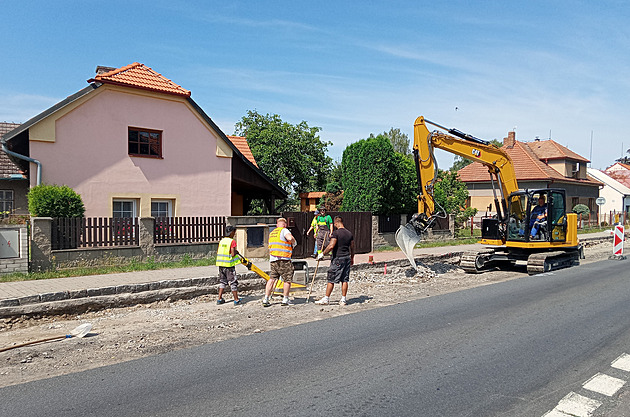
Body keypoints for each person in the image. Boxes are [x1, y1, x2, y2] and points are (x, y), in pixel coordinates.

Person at [315, 216, 355, 306]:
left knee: (331, 278)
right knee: (345, 279)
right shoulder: (349, 233)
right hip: (347, 258)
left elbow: (331, 246)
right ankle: (343, 299)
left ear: (336, 223)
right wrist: (352, 258)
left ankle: (326, 298)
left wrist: (322, 254)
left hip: (337, 258)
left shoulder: (336, 233)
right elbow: (352, 247)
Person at [263, 217, 296, 307]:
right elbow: (289, 238)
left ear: (277, 224)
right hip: (284, 259)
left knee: (272, 279)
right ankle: (285, 299)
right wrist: (293, 242)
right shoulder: (284, 230)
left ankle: (266, 298)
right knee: (287, 279)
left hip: (273, 259)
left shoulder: (272, 233)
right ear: (285, 225)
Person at [215, 225, 241, 305]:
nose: (234, 234)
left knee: (222, 281)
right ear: (231, 233)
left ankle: (219, 299)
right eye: (234, 233)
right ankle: (236, 300)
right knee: (233, 282)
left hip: (221, 265)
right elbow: (233, 254)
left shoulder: (222, 241)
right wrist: (236, 252)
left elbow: (218, 252)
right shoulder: (232, 241)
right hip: (229, 265)